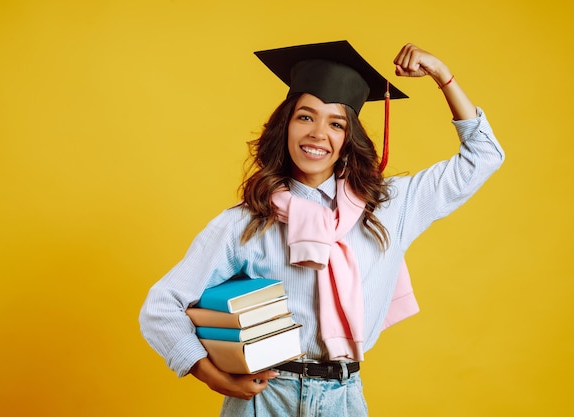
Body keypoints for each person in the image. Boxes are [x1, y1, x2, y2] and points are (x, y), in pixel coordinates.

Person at [139, 41, 505, 416]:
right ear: (286, 126)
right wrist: (209, 374)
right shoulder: (247, 221)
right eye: (305, 117)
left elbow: (484, 156)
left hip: (343, 399)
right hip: (266, 397)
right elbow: (161, 306)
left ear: (348, 140)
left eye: (335, 123)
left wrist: (443, 77)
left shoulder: (389, 207)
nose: (317, 133)